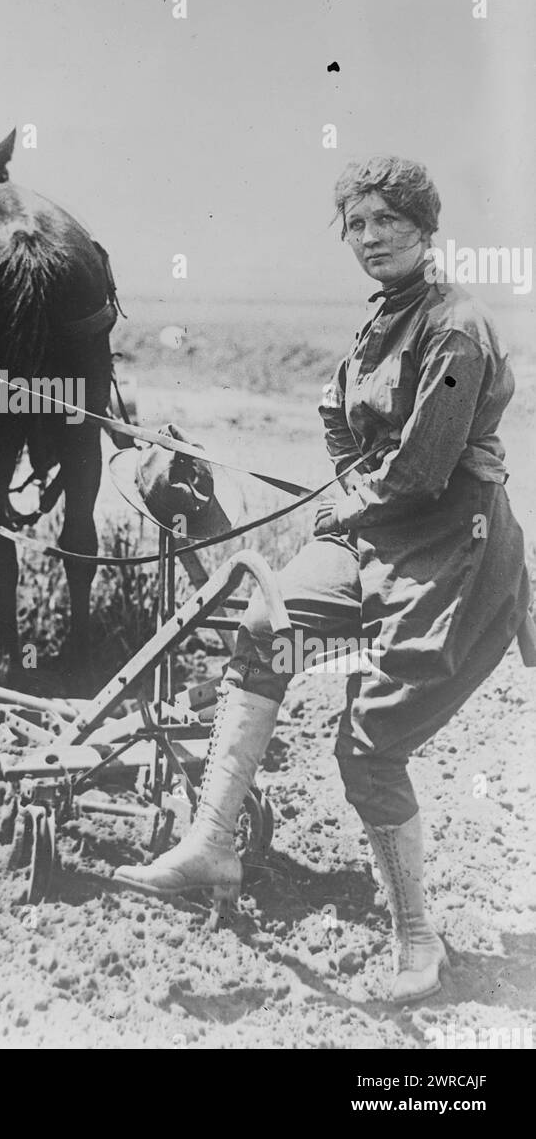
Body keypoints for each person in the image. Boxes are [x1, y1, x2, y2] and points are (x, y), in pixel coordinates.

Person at [113, 155, 532, 1004]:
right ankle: (211, 840)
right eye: (358, 224)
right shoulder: (381, 323)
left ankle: (418, 937)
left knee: (369, 746)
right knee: (266, 626)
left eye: (389, 221)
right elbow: (338, 419)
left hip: (452, 548)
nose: (371, 237)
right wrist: (350, 491)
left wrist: (350, 503)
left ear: (426, 227)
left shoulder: (456, 327)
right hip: (377, 537)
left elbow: (419, 470)